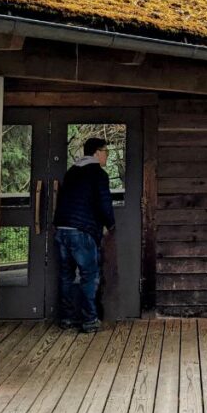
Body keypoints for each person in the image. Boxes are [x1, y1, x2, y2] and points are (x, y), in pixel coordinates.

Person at [53, 137, 115, 333]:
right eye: (106, 151)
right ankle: (89, 320)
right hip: (82, 231)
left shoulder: (72, 171)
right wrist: (110, 224)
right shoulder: (98, 174)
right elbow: (104, 203)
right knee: (89, 275)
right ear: (97, 152)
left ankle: (67, 318)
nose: (107, 155)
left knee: (66, 275)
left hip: (62, 228)